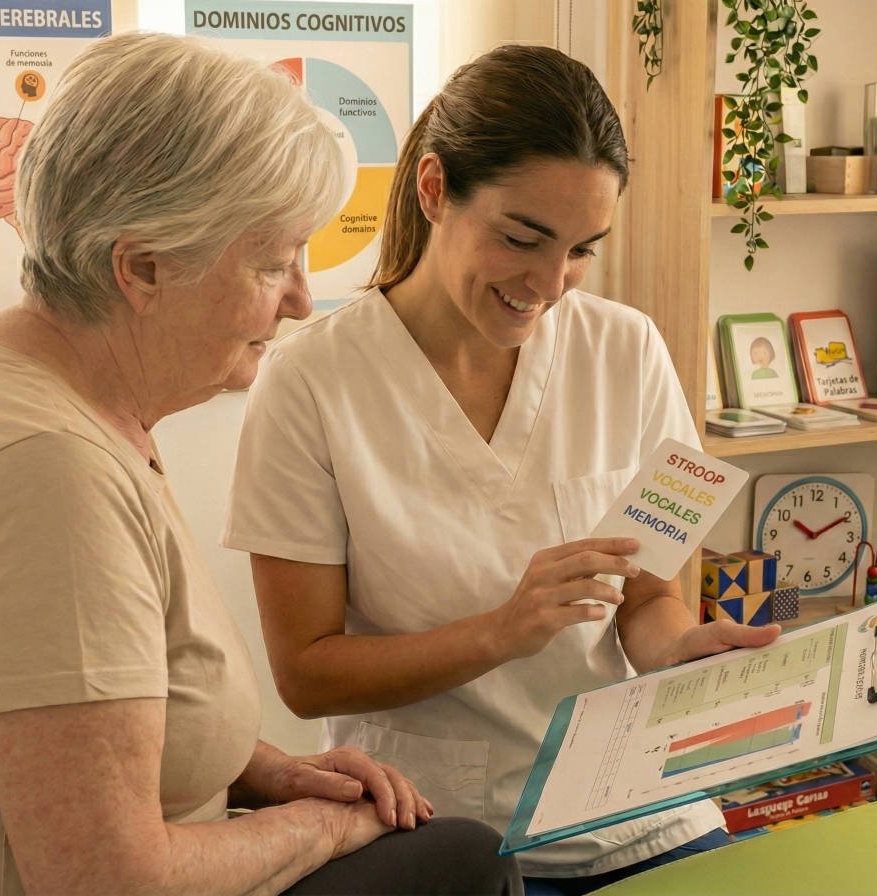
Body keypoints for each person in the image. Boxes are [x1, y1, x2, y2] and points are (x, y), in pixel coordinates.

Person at [0, 32, 521, 896]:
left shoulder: (59, 390)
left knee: (454, 853)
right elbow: (104, 879)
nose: (303, 298)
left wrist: (268, 770)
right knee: (461, 865)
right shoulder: (40, 474)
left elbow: (86, 727)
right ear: (143, 267)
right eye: (272, 261)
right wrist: (316, 826)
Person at [224, 43, 781, 895]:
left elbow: (647, 597)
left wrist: (678, 653)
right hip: (438, 827)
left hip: (631, 806)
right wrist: (501, 630)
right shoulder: (311, 383)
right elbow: (305, 672)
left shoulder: (625, 350)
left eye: (583, 249)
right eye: (523, 238)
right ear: (435, 189)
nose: (551, 283)